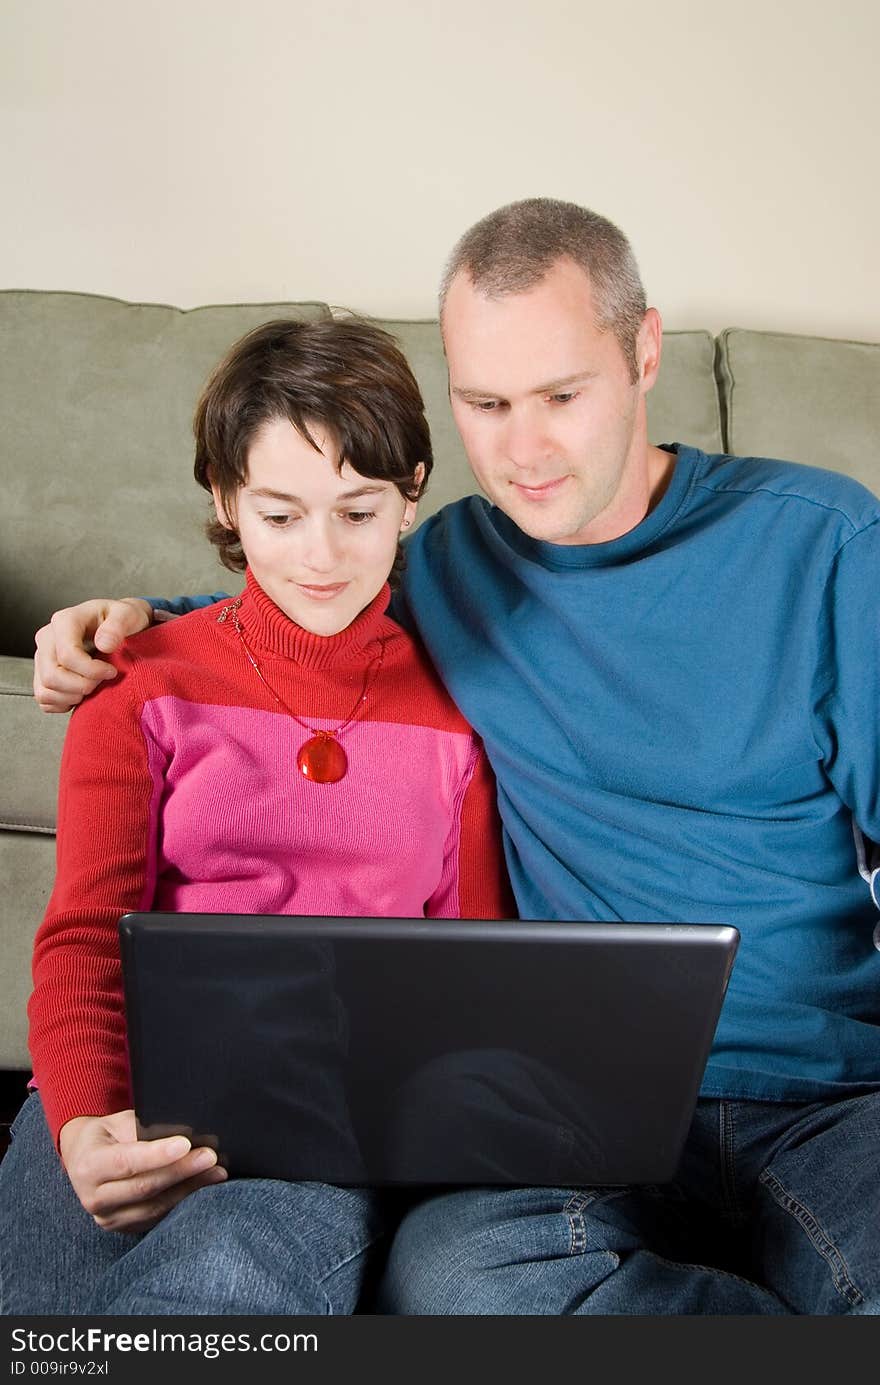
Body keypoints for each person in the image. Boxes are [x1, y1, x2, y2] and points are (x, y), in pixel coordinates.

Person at [28, 198, 880, 1314]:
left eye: (561, 397)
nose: (522, 450)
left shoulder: (827, 543)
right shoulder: (453, 563)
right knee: (461, 1280)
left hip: (826, 1092)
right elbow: (301, 606)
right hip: (573, 1104)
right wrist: (122, 623)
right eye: (485, 403)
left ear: (643, 353)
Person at [0, 317, 511, 1316]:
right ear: (227, 501)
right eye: (279, 517)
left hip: (331, 1107)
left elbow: (473, 961)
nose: (320, 557)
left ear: (411, 494)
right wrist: (83, 1119)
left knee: (222, 1284)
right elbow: (81, 935)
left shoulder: (461, 710)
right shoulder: (137, 680)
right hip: (133, 1077)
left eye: (356, 512)